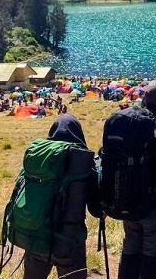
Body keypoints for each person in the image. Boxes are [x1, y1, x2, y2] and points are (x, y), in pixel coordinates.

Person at [23, 114, 103, 279]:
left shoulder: (40, 158)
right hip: (70, 239)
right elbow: (96, 209)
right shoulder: (83, 162)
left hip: (37, 237)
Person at [114, 80, 156, 279]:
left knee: (131, 253)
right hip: (155, 206)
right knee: (153, 258)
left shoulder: (128, 127)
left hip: (128, 202)